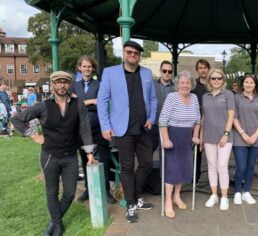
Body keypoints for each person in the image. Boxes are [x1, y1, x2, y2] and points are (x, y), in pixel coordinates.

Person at [11, 71, 96, 236]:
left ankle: (53, 221)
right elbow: (17, 120)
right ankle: (57, 226)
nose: (62, 85)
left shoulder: (78, 104)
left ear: (69, 84)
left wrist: (89, 153)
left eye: (65, 82)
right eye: (58, 82)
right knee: (52, 192)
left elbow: (84, 128)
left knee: (70, 193)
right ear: (52, 84)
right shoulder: (44, 105)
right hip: (50, 156)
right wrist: (34, 136)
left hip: (70, 156)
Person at [97, 40, 157, 223]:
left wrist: (152, 118)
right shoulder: (110, 73)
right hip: (122, 129)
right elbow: (102, 100)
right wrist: (105, 126)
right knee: (127, 166)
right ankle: (131, 203)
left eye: (136, 53)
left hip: (144, 128)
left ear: (139, 56)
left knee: (147, 164)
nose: (132, 55)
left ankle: (134, 195)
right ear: (124, 53)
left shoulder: (147, 73)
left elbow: (153, 99)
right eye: (129, 52)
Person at [69, 55, 116, 204]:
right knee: (84, 159)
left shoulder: (100, 84)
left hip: (98, 127)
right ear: (79, 68)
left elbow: (102, 104)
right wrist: (91, 101)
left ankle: (106, 190)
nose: (87, 69)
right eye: (84, 66)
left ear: (93, 68)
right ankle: (88, 191)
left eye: (89, 66)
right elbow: (73, 105)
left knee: (105, 158)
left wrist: (82, 102)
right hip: (81, 129)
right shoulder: (73, 86)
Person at [159, 71, 201, 219]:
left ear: (191, 84)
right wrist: (165, 139)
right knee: (172, 170)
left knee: (183, 169)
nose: (185, 85)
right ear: (177, 84)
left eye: (187, 82)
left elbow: (197, 120)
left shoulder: (194, 97)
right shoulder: (172, 97)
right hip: (173, 136)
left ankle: (177, 196)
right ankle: (168, 202)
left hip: (187, 137)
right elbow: (163, 120)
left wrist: (195, 135)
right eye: (182, 83)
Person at [201, 68, 235, 210]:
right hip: (209, 136)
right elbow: (204, 117)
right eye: (213, 78)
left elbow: (231, 115)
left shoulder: (228, 94)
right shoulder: (205, 96)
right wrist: (201, 136)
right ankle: (214, 195)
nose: (216, 81)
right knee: (211, 166)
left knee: (222, 166)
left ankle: (225, 197)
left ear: (223, 80)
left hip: (224, 137)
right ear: (209, 80)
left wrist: (226, 134)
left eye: (219, 78)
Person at [232, 74, 258, 205]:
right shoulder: (236, 99)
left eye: (251, 82)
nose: (249, 84)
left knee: (251, 166)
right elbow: (234, 118)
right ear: (242, 84)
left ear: (255, 85)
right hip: (240, 138)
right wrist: (244, 134)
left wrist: (256, 135)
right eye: (246, 82)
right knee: (241, 166)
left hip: (255, 139)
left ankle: (246, 192)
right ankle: (237, 192)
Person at [191, 59, 210, 185]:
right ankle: (195, 177)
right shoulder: (194, 86)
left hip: (212, 121)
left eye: (205, 67)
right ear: (197, 70)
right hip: (197, 121)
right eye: (200, 68)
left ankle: (213, 178)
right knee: (197, 151)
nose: (203, 70)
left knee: (212, 151)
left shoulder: (213, 84)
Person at [152, 60, 175, 151]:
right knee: (149, 152)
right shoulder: (152, 85)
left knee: (168, 152)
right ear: (160, 71)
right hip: (154, 125)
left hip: (170, 126)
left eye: (169, 71)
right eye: (164, 71)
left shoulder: (176, 87)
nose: (167, 73)